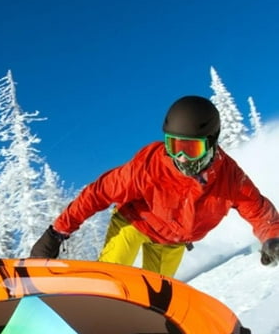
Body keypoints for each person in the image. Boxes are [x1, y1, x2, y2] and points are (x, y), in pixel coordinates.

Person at [30, 95, 279, 276]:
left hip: (171, 242)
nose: (181, 158)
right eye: (174, 146)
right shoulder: (148, 168)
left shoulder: (230, 179)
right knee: (111, 277)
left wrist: (272, 238)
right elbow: (97, 194)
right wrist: (56, 232)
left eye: (190, 149)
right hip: (134, 223)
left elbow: (258, 211)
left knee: (156, 296)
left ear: (211, 143)